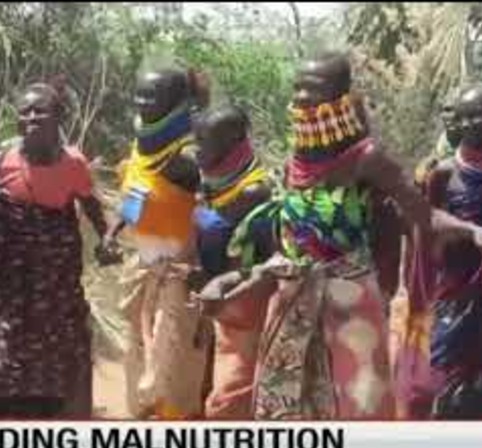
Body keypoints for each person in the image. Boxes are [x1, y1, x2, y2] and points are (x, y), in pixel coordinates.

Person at [208, 52, 431, 420]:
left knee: (361, 405)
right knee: (287, 408)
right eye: (296, 87)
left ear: (339, 95)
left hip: (352, 303)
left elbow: (418, 215)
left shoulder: (368, 159)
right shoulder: (296, 161)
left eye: (310, 90)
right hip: (293, 298)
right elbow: (293, 242)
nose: (298, 98)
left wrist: (411, 281)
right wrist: (245, 277)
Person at [0, 81, 115, 419]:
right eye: (24, 112)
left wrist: (106, 238)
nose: (30, 117)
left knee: (55, 331)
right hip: (8, 268)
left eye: (39, 111)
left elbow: (90, 205)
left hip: (53, 271)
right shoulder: (2, 158)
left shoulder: (73, 163)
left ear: (58, 117)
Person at [103, 68, 211, 419]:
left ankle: (175, 426)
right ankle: (145, 420)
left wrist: (206, 264)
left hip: (178, 271)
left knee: (173, 352)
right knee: (136, 347)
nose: (141, 102)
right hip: (141, 268)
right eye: (139, 94)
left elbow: (210, 212)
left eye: (151, 96)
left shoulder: (189, 157)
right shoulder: (142, 148)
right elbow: (138, 192)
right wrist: (112, 232)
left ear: (177, 104)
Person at [190, 105, 275, 419]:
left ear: (233, 141)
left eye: (204, 141)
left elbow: (263, 259)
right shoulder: (210, 180)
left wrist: (221, 281)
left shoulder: (253, 191)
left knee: (229, 397)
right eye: (194, 139)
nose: (195, 148)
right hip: (208, 300)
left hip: (240, 307)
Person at [405, 85, 482, 419]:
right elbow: (426, 219)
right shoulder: (444, 174)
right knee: (448, 388)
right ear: (458, 125)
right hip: (457, 299)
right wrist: (469, 230)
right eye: (469, 116)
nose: (477, 122)